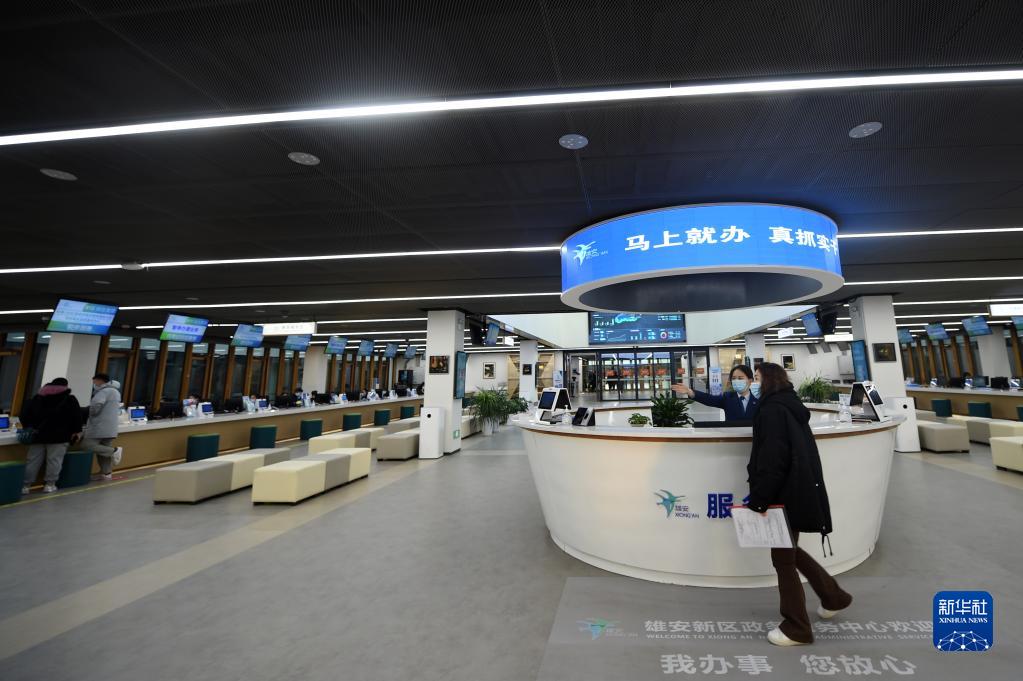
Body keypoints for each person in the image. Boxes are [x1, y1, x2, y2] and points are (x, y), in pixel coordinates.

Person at [746, 362, 852, 646]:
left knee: (783, 560)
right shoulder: (790, 405)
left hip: (783, 496)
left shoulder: (771, 410)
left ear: (768, 380)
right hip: (797, 491)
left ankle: (797, 628)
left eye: (756, 378)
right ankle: (834, 596)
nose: (752, 383)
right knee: (790, 552)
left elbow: (773, 460)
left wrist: (760, 500)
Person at [20, 377, 83, 494]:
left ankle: (25, 486)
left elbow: (25, 415)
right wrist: (76, 431)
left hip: (38, 435)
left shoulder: (38, 398)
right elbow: (77, 417)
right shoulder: (69, 399)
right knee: (54, 461)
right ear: (65, 386)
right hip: (59, 437)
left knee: (32, 461)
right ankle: (49, 485)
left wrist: (29, 427)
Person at [672, 365, 760, 420]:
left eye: (740, 378)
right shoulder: (728, 397)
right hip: (732, 438)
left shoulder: (759, 400)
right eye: (733, 378)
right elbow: (709, 399)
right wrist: (690, 392)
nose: (736, 381)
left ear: (750, 380)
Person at [80, 373, 123, 481]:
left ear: (100, 380)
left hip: (99, 426)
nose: (94, 384)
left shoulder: (103, 392)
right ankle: (106, 473)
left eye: (94, 381)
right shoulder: (115, 392)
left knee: (86, 445)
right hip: (110, 427)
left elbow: (95, 407)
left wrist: (89, 413)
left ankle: (114, 451)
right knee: (103, 451)